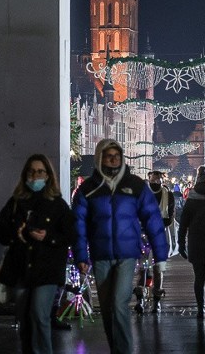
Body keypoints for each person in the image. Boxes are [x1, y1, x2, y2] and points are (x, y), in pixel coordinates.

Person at [72, 139, 168, 354]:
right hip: (100, 254)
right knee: (106, 308)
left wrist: (160, 255)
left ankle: (124, 351)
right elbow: (78, 224)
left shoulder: (135, 185)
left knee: (118, 304)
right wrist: (80, 255)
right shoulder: (88, 189)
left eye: (117, 155)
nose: (113, 160)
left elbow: (152, 218)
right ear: (100, 158)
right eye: (108, 156)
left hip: (127, 254)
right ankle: (116, 348)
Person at [0, 154, 76, 354]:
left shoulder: (58, 205)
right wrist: (18, 231)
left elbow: (70, 234)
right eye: (32, 171)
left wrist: (48, 237)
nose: (35, 176)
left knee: (40, 314)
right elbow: (1, 231)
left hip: (47, 268)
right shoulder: (16, 202)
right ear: (25, 175)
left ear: (48, 175)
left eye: (40, 171)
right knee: (24, 318)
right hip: (21, 268)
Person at [177, 166, 205, 319]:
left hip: (196, 241)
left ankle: (200, 308)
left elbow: (183, 223)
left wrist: (181, 242)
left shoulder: (192, 198)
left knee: (199, 276)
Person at [142, 170, 175, 311]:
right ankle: (140, 299)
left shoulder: (168, 195)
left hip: (160, 233)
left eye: (158, 179)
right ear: (149, 178)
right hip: (144, 234)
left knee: (158, 266)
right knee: (143, 266)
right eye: (153, 179)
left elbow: (170, 216)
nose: (156, 182)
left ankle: (156, 299)